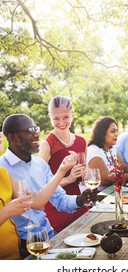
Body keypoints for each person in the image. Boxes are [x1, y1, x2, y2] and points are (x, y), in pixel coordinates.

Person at [0, 114, 96, 257]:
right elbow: (37, 202)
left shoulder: (40, 165)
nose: (37, 134)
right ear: (12, 137)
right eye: (30, 130)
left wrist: (80, 200)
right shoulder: (3, 168)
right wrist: (62, 171)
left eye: (36, 129)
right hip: (21, 246)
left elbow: (60, 200)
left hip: (48, 237)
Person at [0, 155, 76, 260]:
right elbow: (7, 211)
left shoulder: (3, 173)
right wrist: (5, 212)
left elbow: (37, 202)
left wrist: (61, 171)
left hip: (15, 254)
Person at [38, 96, 88, 232]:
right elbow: (39, 186)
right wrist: (69, 179)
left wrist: (84, 174)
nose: (61, 122)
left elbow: (86, 177)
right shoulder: (47, 144)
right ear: (50, 117)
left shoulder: (82, 141)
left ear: (72, 114)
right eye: (56, 118)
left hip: (80, 204)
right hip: (57, 210)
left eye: (65, 117)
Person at [87, 117, 128, 190]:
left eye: (117, 131)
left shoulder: (112, 148)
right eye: (113, 131)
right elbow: (106, 179)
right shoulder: (94, 151)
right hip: (99, 195)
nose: (116, 134)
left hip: (114, 190)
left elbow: (124, 168)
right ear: (102, 133)